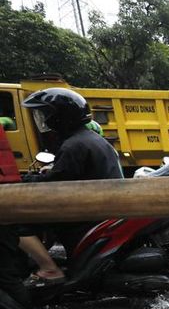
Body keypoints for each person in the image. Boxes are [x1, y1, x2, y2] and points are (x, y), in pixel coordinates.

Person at [21, 87, 123, 267]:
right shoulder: (89, 139)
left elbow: (56, 184)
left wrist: (29, 181)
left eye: (45, 113)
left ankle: (49, 269)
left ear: (60, 115)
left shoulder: (73, 145)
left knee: (22, 224)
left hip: (89, 213)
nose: (44, 119)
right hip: (101, 206)